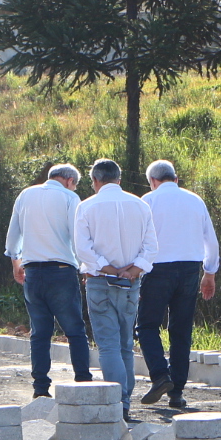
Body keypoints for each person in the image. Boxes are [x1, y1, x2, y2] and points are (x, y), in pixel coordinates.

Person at [74, 158, 157, 422]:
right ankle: (126, 399)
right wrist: (133, 270)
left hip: (100, 281)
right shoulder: (140, 205)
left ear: (95, 181)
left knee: (108, 344)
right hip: (131, 282)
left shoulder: (86, 206)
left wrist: (105, 267)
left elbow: (82, 248)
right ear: (119, 180)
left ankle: (117, 401)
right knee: (125, 344)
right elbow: (151, 247)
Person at [3, 162, 93, 398]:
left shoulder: (26, 194)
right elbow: (77, 237)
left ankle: (40, 387)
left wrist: (16, 262)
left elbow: (14, 234)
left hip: (32, 270)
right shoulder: (70, 198)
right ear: (69, 181)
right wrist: (85, 266)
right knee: (75, 330)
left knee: (40, 332)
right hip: (62, 270)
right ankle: (83, 381)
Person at [137, 159, 220, 411]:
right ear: (176, 178)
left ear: (152, 181)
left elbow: (139, 240)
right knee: (181, 330)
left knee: (147, 325)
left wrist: (135, 270)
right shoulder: (195, 200)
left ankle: (161, 375)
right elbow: (211, 241)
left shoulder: (147, 201)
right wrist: (210, 273)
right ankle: (177, 393)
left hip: (157, 269)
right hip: (189, 269)